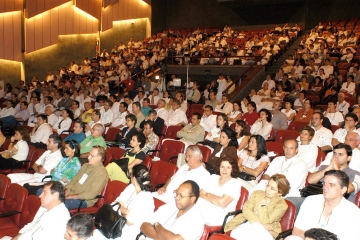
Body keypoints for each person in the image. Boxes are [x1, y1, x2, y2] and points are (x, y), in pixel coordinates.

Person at [286, 171, 360, 240]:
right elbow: (297, 230)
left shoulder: (353, 212)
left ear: (343, 190)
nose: (325, 187)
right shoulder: (311, 201)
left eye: (331, 185)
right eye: (324, 183)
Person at [93, 165, 154, 240]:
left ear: (134, 178)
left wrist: (121, 207)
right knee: (93, 235)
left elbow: (129, 221)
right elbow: (116, 203)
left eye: (131, 175)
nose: (130, 177)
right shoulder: (131, 187)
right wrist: (126, 211)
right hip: (115, 224)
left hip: (128, 232)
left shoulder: (146, 198)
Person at [225, 174, 290, 240]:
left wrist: (263, 205)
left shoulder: (281, 205)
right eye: (268, 185)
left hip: (266, 231)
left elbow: (266, 221)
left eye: (272, 188)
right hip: (248, 223)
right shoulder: (257, 193)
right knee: (236, 234)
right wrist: (259, 223)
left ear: (280, 193)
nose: (267, 189)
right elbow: (246, 210)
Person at [197, 157, 241, 226]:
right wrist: (216, 201)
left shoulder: (235, 183)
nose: (224, 170)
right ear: (219, 167)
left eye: (228, 168)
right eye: (222, 167)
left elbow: (222, 202)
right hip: (206, 208)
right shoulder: (213, 177)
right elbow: (201, 194)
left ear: (232, 169)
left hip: (220, 216)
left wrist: (207, 194)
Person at [64, 146, 108, 210]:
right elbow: (73, 180)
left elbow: (91, 194)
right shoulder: (85, 165)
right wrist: (66, 192)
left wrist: (70, 197)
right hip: (71, 194)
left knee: (59, 205)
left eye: (92, 156)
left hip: (83, 200)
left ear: (99, 158)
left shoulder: (101, 173)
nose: (88, 157)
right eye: (89, 154)